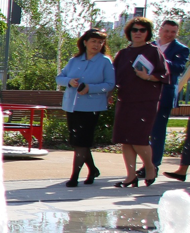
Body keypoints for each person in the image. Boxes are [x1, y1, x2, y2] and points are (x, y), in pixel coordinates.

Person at [111, 16, 168, 187]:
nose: (138, 33)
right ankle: (130, 176)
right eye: (134, 30)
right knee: (125, 139)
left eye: (142, 30)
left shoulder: (153, 51)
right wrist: (109, 93)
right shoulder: (123, 53)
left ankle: (150, 167)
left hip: (145, 101)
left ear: (148, 33)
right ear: (129, 32)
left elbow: (164, 75)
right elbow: (114, 76)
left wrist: (148, 76)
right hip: (125, 100)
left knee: (139, 138)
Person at [55, 28, 114, 187]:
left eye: (100, 42)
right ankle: (92, 169)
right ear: (85, 42)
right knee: (78, 141)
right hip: (72, 106)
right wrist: (69, 81)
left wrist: (91, 88)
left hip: (91, 107)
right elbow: (59, 78)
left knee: (82, 141)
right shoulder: (75, 60)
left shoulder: (105, 61)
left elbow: (110, 84)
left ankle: (74, 176)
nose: (97, 45)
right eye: (94, 41)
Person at [149, 20, 190, 174]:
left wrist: (159, 59)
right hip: (145, 95)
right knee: (142, 131)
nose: (169, 35)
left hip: (164, 95)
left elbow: (178, 69)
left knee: (157, 132)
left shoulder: (181, 49)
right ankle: (145, 163)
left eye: (173, 32)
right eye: (166, 31)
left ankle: (153, 165)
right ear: (160, 30)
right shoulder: (149, 46)